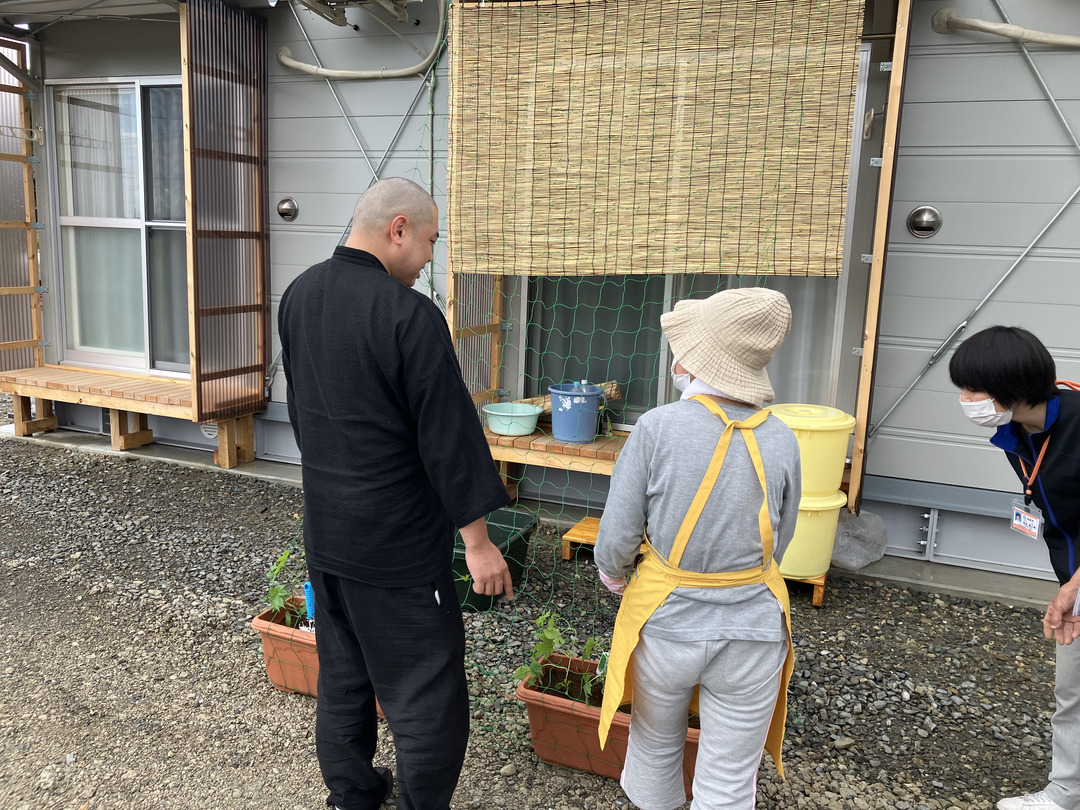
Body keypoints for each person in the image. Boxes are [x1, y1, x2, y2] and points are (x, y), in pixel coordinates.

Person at [278, 177, 513, 810]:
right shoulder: (409, 314)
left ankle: (353, 795)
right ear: (398, 229)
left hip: (327, 533)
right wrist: (479, 544)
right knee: (426, 691)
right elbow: (448, 435)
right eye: (431, 241)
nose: (431, 257)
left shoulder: (299, 294)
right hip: (398, 547)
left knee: (344, 674)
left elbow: (303, 415)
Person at [594, 287, 802, 810]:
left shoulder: (656, 427)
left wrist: (613, 573)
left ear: (693, 361)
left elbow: (619, 530)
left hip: (666, 623)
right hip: (755, 630)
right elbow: (782, 538)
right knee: (730, 776)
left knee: (654, 748)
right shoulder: (783, 438)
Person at [949, 325, 1080, 810]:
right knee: (1072, 691)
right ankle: (1067, 792)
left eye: (973, 389)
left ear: (1015, 387)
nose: (965, 400)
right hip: (1073, 575)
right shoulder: (1016, 433)